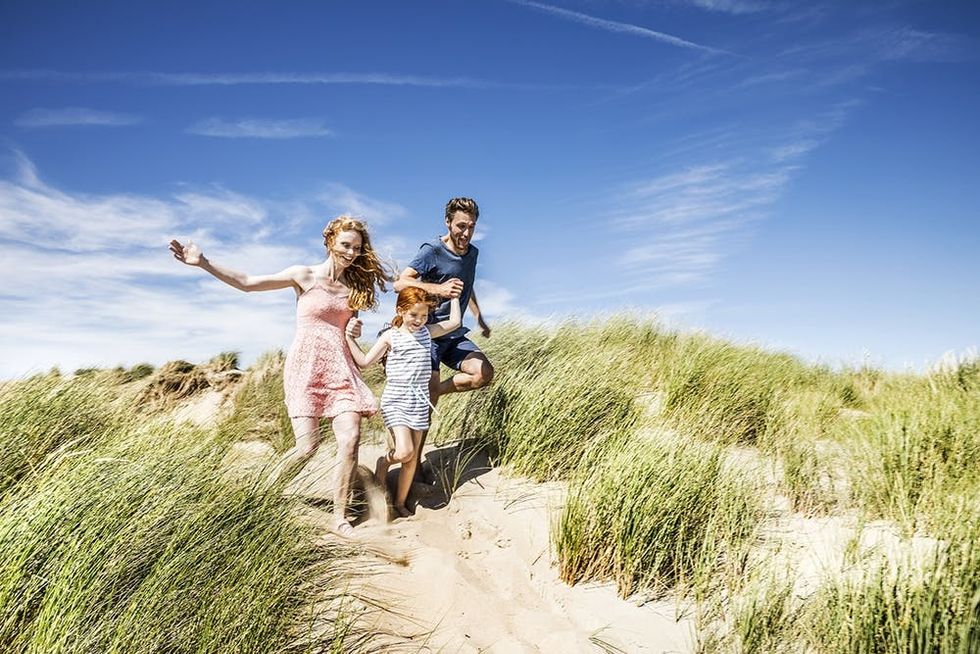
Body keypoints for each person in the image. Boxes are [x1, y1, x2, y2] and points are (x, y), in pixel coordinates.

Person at [168, 216, 392, 538]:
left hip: (341, 369)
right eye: (345, 244)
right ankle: (262, 495)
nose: (351, 252)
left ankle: (340, 517)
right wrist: (204, 263)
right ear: (330, 241)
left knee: (351, 436)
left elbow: (348, 336)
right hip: (306, 367)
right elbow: (247, 282)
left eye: (356, 247)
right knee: (307, 448)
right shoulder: (303, 275)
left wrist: (354, 329)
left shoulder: (352, 290)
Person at [393, 197, 494, 481]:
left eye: (471, 227)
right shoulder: (431, 251)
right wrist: (438, 288)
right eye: (461, 226)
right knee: (424, 407)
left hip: (454, 332)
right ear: (448, 222)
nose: (466, 233)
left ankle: (436, 390)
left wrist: (479, 317)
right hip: (427, 334)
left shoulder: (472, 254)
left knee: (483, 373)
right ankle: (414, 470)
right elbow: (400, 282)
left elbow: (466, 286)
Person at [344, 288, 461, 517]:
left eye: (424, 316)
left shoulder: (427, 333)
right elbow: (365, 362)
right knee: (404, 451)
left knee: (411, 459)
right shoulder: (390, 335)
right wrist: (349, 338)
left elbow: (455, 322)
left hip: (419, 400)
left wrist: (455, 297)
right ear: (401, 310)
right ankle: (383, 463)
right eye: (414, 315)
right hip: (396, 398)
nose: (419, 320)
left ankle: (398, 503)